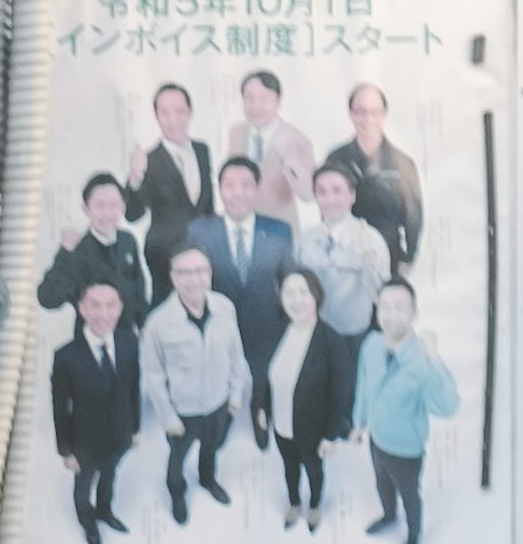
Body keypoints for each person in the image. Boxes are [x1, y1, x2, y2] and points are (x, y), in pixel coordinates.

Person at [177, 156, 295, 434]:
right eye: (229, 185)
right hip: (218, 321)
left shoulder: (279, 230)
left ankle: (260, 411)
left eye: (245, 185)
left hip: (265, 320)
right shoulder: (200, 230)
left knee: (262, 373)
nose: (237, 193)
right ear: (220, 190)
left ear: (256, 190)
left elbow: (289, 279)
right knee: (220, 372)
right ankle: (222, 417)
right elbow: (192, 280)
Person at [355, 275, 463, 544]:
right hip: (376, 439)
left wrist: (434, 357)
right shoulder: (372, 345)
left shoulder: (422, 361)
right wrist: (359, 422)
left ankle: (414, 537)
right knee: (381, 483)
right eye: (385, 307)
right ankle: (389, 516)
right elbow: (363, 386)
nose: (391, 315)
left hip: (406, 449)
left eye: (400, 307)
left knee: (409, 495)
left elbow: (448, 406)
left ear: (415, 313)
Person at [141, 237, 246, 523]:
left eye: (200, 271)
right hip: (182, 412)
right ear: (173, 277)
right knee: (177, 461)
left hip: (217, 404)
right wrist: (168, 418)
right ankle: (177, 493)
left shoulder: (225, 308)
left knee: (211, 450)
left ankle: (208, 480)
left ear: (209, 273)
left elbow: (237, 355)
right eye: (184, 273)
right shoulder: (158, 323)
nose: (193, 280)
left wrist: (235, 397)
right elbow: (153, 377)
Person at [266, 262, 359, 533]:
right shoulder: (277, 331)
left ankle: (315, 506)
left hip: (313, 431)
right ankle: (294, 503)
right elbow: (266, 374)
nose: (296, 300)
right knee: (289, 468)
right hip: (282, 424)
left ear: (316, 296)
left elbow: (340, 395)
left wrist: (331, 436)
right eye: (288, 293)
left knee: (314, 471)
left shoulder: (332, 341)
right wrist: (262, 407)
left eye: (302, 292)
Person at [53, 276, 143, 544]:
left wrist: (135, 427)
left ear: (119, 308)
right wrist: (66, 450)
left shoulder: (129, 343)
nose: (103, 314)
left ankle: (105, 510)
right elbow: (59, 405)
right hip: (85, 441)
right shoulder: (66, 356)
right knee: (83, 488)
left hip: (120, 432)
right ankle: (88, 523)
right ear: (82, 309)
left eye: (110, 306)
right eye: (95, 306)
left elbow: (133, 388)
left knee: (110, 475)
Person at [322, 79, 424, 271]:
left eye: (374, 112)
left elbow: (414, 217)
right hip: (343, 259)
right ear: (351, 114)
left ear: (384, 114)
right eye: (360, 111)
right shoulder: (336, 158)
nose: (367, 119)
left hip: (388, 259)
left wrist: (408, 260)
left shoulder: (402, 164)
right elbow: (325, 210)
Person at [128, 82, 214, 293]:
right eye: (164, 113)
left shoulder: (202, 150)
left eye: (179, 111)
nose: (173, 120)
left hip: (202, 254)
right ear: (156, 116)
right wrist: (135, 178)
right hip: (163, 256)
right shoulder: (149, 159)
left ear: (190, 112)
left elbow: (208, 207)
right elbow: (132, 214)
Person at [291, 160, 390, 340]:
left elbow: (381, 295)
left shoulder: (370, 239)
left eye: (337, 191)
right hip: (312, 336)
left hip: (354, 337)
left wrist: (366, 261)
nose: (329, 200)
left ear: (351, 196)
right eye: (322, 192)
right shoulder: (305, 240)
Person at [36, 171, 151, 326]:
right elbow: (48, 299)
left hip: (127, 340)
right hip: (90, 342)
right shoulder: (76, 250)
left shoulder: (127, 241)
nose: (107, 213)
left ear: (122, 207)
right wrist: (64, 254)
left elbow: (139, 292)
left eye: (113, 205)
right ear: (86, 208)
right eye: (100, 205)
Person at [228, 66, 318, 218]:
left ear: (278, 102)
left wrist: (290, 160)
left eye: (263, 98)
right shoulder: (236, 133)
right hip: (243, 227)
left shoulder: (297, 139)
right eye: (249, 98)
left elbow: (308, 194)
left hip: (279, 230)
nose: (255, 106)